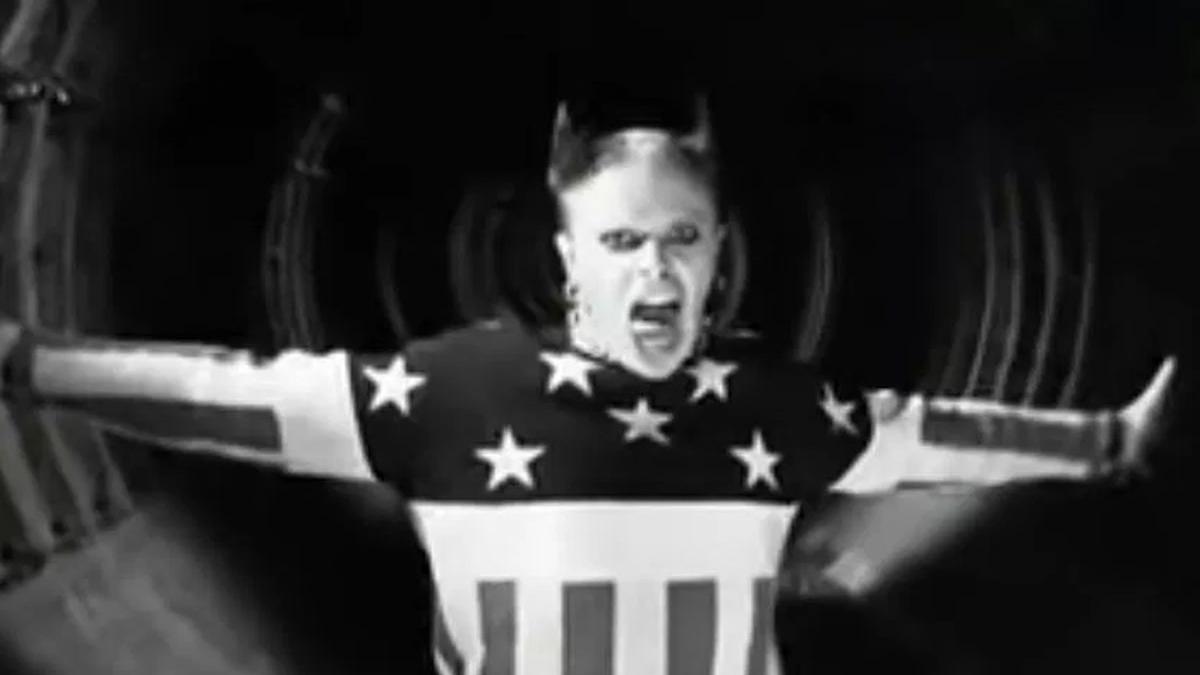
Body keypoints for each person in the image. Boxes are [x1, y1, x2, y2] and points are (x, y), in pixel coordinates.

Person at [0, 95, 1176, 675]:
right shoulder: (453, 390)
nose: (655, 271)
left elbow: (933, 437)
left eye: (681, 240)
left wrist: (1103, 440)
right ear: (565, 262)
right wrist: (35, 364)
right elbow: (231, 398)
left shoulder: (772, 405)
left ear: (720, 259)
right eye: (622, 242)